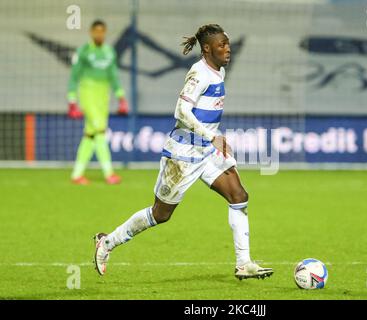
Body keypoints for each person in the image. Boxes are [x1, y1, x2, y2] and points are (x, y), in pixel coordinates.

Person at [93, 24, 273, 280]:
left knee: (238, 195)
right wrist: (212, 136)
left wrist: (212, 139)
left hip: (207, 151)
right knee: (161, 214)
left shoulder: (218, 70)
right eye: (221, 45)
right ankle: (107, 243)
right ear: (207, 49)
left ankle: (243, 263)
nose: (227, 48)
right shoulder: (199, 74)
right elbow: (181, 111)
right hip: (183, 153)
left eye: (228, 43)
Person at [67, 19, 128, 185]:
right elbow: (74, 77)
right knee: (100, 132)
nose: (99, 34)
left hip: (103, 96)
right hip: (88, 94)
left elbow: (113, 76)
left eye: (102, 31)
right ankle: (109, 173)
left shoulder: (109, 52)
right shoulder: (83, 51)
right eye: (97, 31)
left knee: (90, 135)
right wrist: (72, 100)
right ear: (91, 32)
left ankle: (77, 174)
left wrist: (120, 97)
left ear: (105, 33)